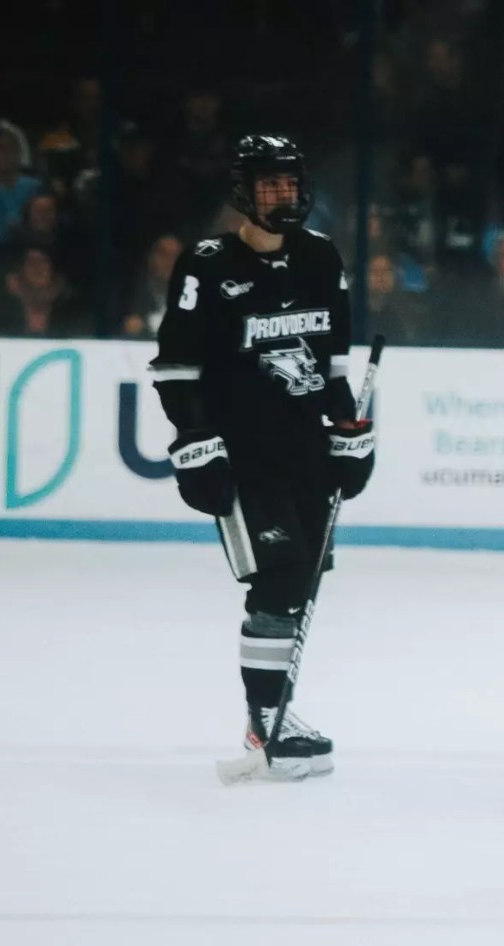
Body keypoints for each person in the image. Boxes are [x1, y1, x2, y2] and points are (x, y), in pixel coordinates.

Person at [148, 135, 375, 781]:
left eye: (290, 182)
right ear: (244, 192)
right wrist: (196, 441)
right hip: (245, 452)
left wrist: (348, 430)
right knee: (277, 578)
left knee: (300, 581)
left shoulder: (321, 255)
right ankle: (265, 720)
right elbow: (176, 365)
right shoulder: (208, 264)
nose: (283, 194)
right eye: (269, 183)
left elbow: (333, 361)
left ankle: (274, 713)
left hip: (305, 449)